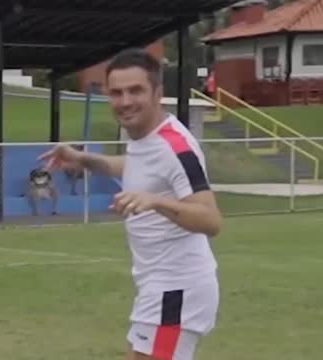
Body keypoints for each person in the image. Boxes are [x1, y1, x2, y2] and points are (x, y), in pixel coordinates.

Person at [38, 48, 222, 360]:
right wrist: (81, 158)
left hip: (177, 289)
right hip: (159, 288)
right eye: (117, 93)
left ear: (157, 93)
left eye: (135, 91)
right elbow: (135, 167)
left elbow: (211, 220)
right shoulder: (145, 139)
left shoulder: (176, 148)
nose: (125, 102)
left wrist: (157, 202)